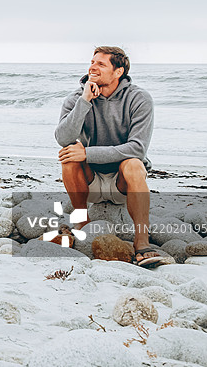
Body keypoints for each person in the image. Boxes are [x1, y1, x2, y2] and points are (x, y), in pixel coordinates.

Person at [54, 46, 160, 266]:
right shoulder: (76, 98)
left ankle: (141, 241)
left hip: (123, 183)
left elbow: (138, 148)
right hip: (90, 180)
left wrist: (87, 153)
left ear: (119, 71)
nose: (93, 67)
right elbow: (63, 138)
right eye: (92, 62)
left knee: (134, 164)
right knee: (68, 154)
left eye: (101, 64)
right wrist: (84, 102)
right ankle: (82, 223)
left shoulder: (139, 98)